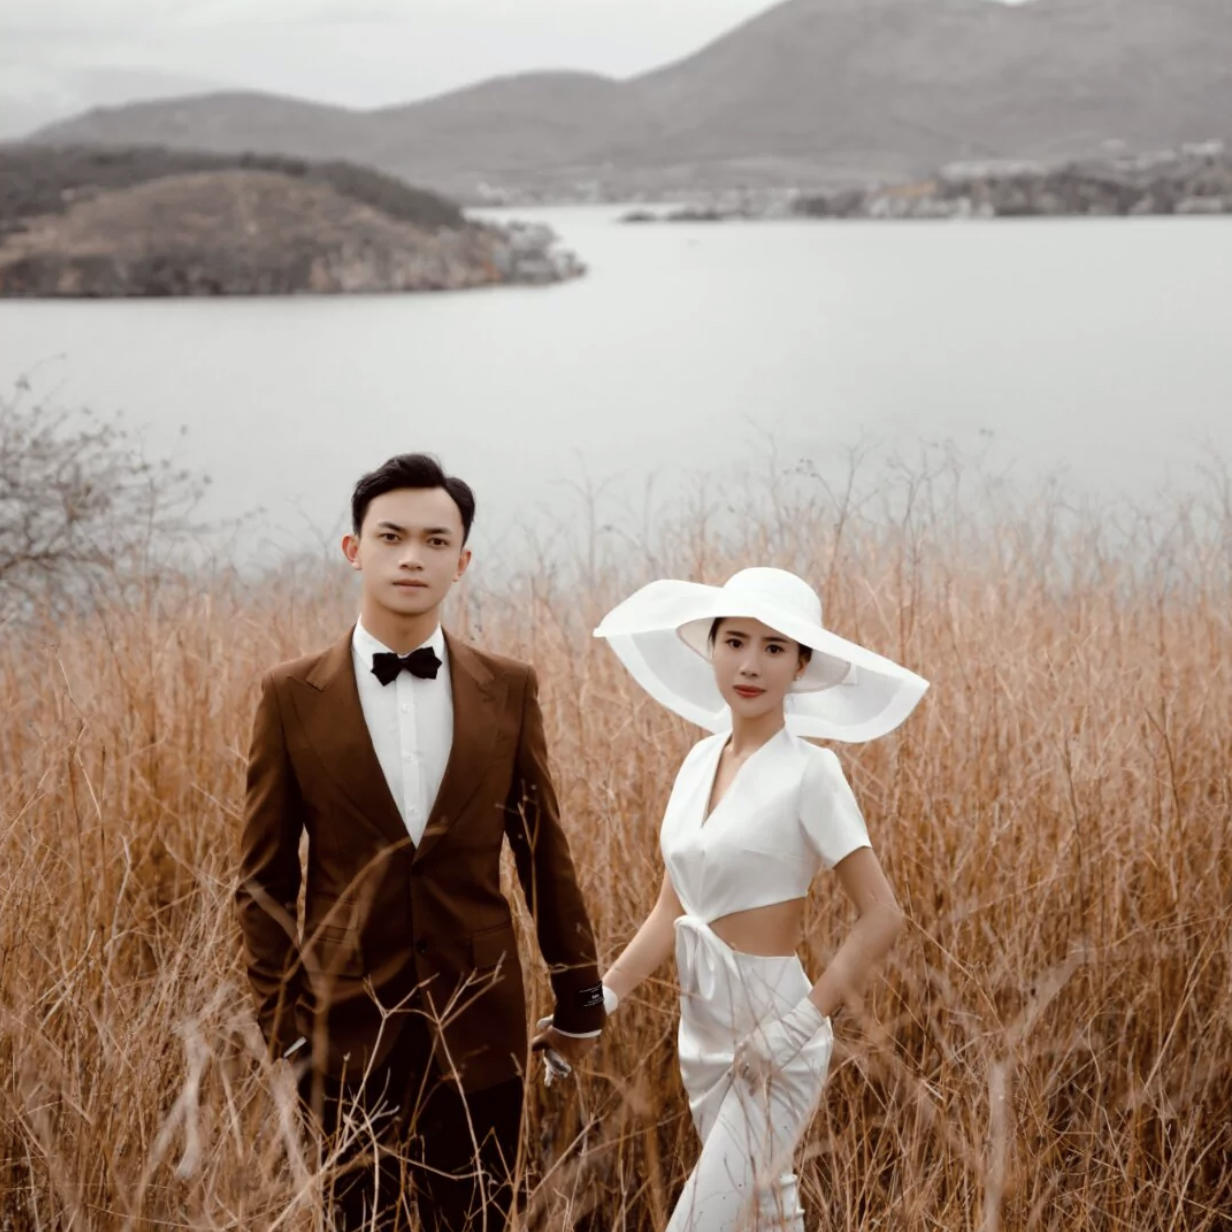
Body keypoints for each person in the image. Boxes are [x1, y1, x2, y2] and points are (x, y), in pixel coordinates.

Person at [236, 453, 606, 1231]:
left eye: (436, 542)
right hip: (342, 1032)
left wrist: (580, 995)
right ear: (354, 549)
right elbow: (264, 880)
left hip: (481, 1021)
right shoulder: (289, 695)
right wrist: (285, 1032)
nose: (413, 557)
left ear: (461, 562)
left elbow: (542, 852)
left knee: (479, 1218)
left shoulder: (509, 687)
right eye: (392, 536)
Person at [591, 566, 929, 1231]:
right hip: (702, 1031)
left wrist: (797, 1026)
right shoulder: (697, 762)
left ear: (801, 664)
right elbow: (671, 910)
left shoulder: (812, 772)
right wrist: (598, 1000)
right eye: (735, 641)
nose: (750, 664)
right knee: (762, 1216)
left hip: (776, 1029)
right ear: (711, 648)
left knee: (700, 1222)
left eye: (774, 648)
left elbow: (883, 915)